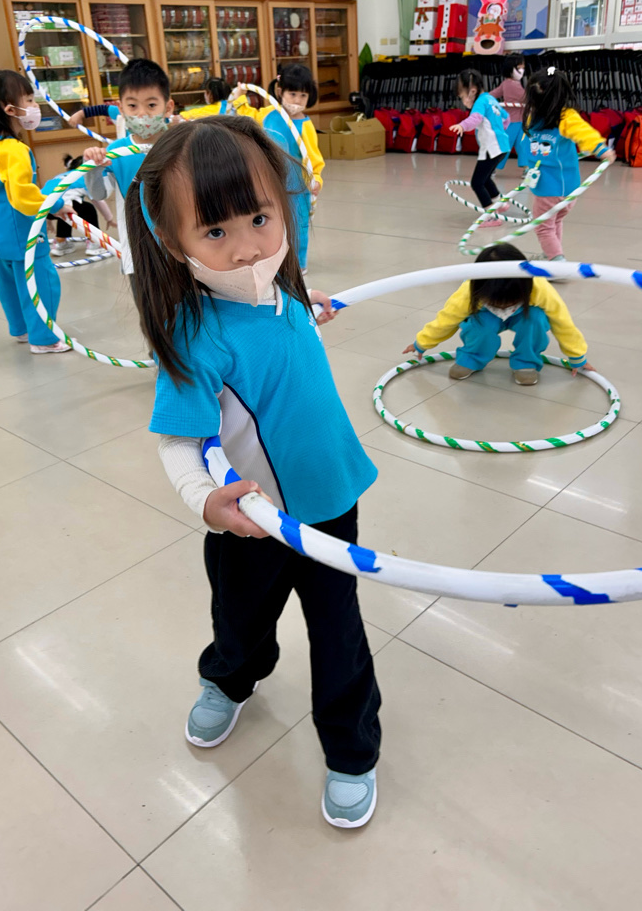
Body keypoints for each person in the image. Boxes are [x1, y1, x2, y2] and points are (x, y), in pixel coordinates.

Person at [127, 116, 381, 829]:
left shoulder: (282, 284)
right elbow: (179, 443)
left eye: (261, 219)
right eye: (215, 231)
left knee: (339, 632)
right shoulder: (195, 336)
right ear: (172, 239)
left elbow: (280, 333)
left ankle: (351, 752)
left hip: (329, 502)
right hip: (251, 520)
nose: (246, 248)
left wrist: (309, 309)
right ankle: (229, 679)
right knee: (240, 618)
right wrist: (207, 502)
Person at [0, 71, 72, 354]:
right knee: (41, 284)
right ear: (10, 109)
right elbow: (23, 195)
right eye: (28, 99)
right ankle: (44, 339)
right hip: (21, 236)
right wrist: (55, 206)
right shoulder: (15, 149)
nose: (34, 105)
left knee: (9, 287)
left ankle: (21, 329)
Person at [404, 242, 593, 387]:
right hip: (486, 316)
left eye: (509, 301)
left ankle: (526, 361)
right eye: (497, 301)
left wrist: (577, 356)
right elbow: (446, 320)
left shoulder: (539, 287)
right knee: (479, 326)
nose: (504, 306)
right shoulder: (468, 292)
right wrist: (422, 343)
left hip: (524, 314)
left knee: (534, 320)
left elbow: (562, 323)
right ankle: (472, 357)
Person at [83, 59, 174, 275]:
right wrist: (92, 169)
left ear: (168, 107)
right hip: (139, 253)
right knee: (148, 297)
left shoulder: (180, 142)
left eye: (151, 105)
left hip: (183, 247)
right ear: (121, 109)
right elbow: (98, 193)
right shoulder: (116, 152)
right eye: (132, 106)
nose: (141, 114)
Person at [234, 63, 324, 272]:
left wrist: (316, 179)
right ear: (280, 92)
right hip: (268, 180)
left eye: (303, 96)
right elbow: (246, 116)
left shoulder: (306, 126)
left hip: (296, 185)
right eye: (292, 94)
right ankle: (271, 258)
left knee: (298, 224)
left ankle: (298, 264)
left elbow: (313, 158)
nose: (297, 101)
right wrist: (239, 98)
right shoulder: (268, 114)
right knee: (268, 222)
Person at [522, 66, 615, 265]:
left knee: (543, 226)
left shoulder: (565, 117)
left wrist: (600, 149)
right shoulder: (537, 117)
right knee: (555, 220)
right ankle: (551, 254)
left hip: (550, 188)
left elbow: (584, 132)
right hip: (567, 188)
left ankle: (556, 260)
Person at [449, 68, 510, 228]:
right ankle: (500, 203)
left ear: (472, 91)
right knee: (486, 178)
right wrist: (499, 131)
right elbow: (506, 117)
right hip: (502, 147)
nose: (463, 102)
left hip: (492, 147)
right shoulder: (491, 99)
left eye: (462, 97)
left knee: (476, 183)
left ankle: (491, 216)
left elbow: (475, 118)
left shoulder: (480, 103)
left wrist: (462, 126)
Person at [42, 154, 111, 257]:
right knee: (88, 209)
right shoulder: (84, 177)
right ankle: (93, 243)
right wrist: (109, 218)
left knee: (64, 211)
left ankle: (61, 243)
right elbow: (98, 200)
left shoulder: (59, 176)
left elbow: (48, 196)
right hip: (62, 206)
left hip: (42, 206)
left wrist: (48, 221)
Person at [490, 54, 528, 171]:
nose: (522, 70)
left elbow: (494, 93)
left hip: (519, 121)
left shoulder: (508, 83)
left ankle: (527, 167)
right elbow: (525, 98)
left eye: (523, 67)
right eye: (519, 67)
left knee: (522, 144)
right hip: (513, 122)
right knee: (507, 145)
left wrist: (484, 98)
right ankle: (492, 167)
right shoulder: (511, 84)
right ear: (511, 68)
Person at [180, 77, 247, 120]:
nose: (205, 94)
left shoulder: (215, 109)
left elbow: (186, 116)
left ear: (211, 95)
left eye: (207, 92)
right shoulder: (235, 105)